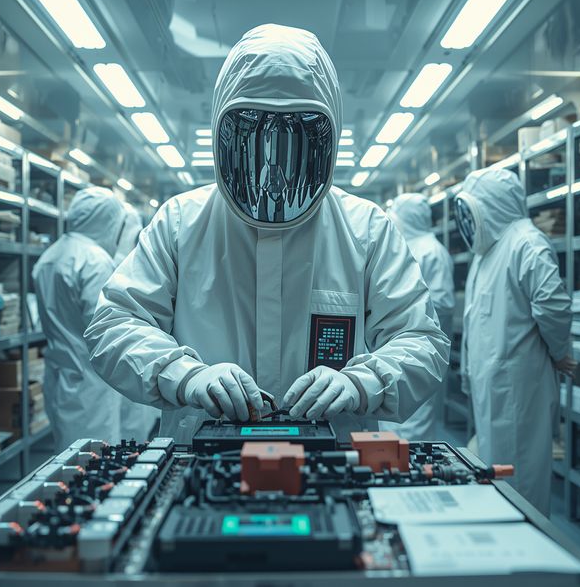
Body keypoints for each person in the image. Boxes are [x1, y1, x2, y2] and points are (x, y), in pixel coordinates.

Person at [85, 23, 449, 443]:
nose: (273, 173)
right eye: (253, 138)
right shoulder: (181, 222)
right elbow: (112, 324)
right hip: (203, 458)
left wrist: (361, 383)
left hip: (332, 462)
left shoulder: (365, 228)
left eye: (295, 140)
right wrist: (187, 376)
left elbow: (422, 340)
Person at [454, 167, 574, 515]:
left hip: (520, 386)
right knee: (497, 470)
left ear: (492, 204)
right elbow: (475, 318)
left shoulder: (527, 242)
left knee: (521, 475)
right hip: (493, 384)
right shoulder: (488, 250)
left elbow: (553, 306)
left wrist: (560, 351)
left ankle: (528, 550)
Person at [32, 186, 129, 451]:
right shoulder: (95, 261)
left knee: (67, 456)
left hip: (60, 375)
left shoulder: (49, 256)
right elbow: (104, 326)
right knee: (95, 461)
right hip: (90, 383)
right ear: (107, 221)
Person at [379, 193, 455, 441]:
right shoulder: (404, 244)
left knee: (415, 422)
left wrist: (410, 308)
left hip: (421, 348)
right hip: (394, 342)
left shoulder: (433, 251)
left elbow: (443, 303)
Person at [113, 202, 161, 440]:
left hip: (71, 371)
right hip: (108, 371)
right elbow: (116, 322)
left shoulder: (51, 258)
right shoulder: (100, 264)